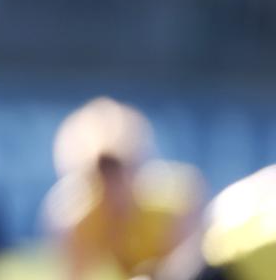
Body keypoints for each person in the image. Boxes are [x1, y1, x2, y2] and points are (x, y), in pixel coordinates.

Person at [42, 96, 204, 280]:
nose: (111, 187)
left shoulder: (173, 207)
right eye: (101, 175)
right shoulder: (75, 218)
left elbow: (189, 269)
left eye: (119, 172)